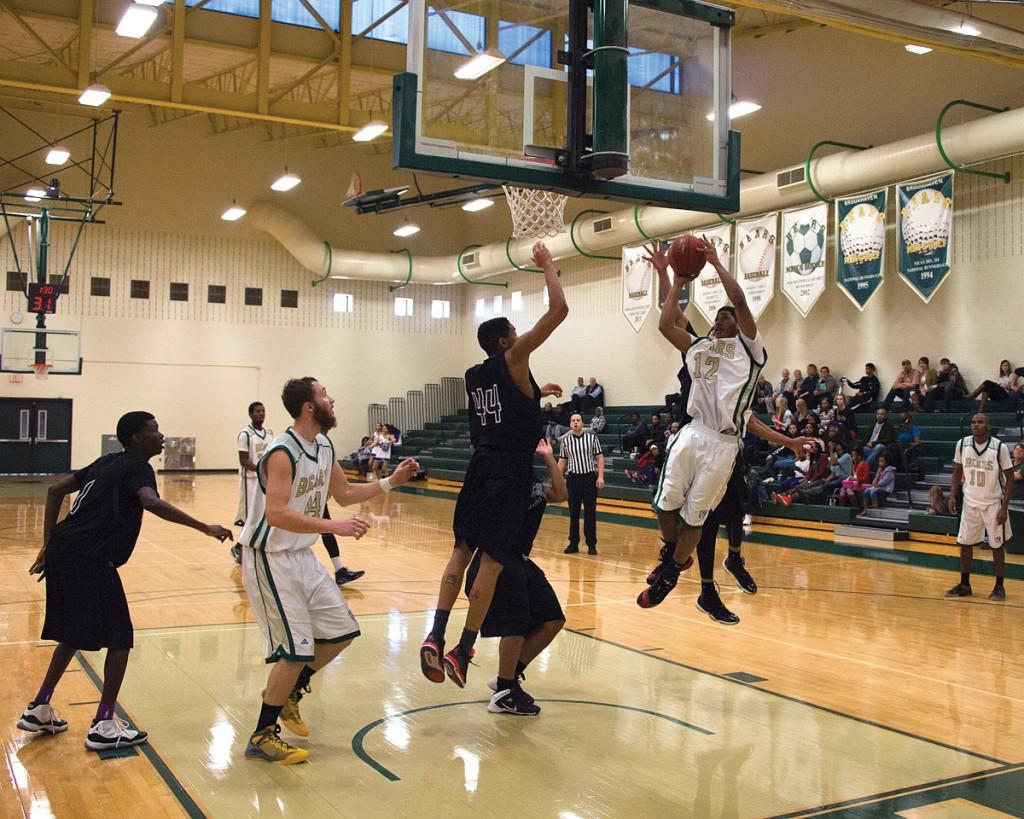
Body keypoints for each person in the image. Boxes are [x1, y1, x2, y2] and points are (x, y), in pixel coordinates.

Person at [17, 412, 232, 751]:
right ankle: (104, 723)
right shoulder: (138, 467)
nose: (161, 436)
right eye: (154, 430)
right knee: (120, 637)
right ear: (136, 438)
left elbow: (55, 490)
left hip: (64, 549)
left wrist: (48, 542)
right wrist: (205, 527)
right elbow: (149, 501)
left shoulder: (107, 462)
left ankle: (40, 707)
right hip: (88, 557)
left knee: (73, 634)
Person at [239, 377, 419, 764]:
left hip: (302, 557)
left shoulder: (323, 445)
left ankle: (291, 691)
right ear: (308, 406)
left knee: (340, 632)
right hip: (270, 557)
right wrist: (332, 526)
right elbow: (276, 513)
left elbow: (344, 494)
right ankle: (262, 735)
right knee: (294, 648)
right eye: (324, 394)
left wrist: (390, 481)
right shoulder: (282, 451)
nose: (331, 398)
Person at [420, 241, 567, 690]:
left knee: (461, 552)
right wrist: (546, 264)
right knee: (493, 563)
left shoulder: (474, 375)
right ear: (506, 342)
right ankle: (463, 649)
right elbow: (558, 310)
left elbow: (504, 408)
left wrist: (537, 396)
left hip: (479, 468)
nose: (521, 336)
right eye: (516, 332)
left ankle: (435, 632)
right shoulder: (515, 358)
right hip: (509, 473)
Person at [637, 236, 797, 609]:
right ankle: (672, 554)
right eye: (719, 315)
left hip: (725, 444)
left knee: (698, 515)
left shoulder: (749, 350)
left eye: (728, 316)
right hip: (693, 432)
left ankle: (674, 574)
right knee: (664, 506)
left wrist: (716, 264)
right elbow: (669, 322)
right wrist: (673, 275)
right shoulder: (701, 346)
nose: (723, 317)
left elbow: (740, 302)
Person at [466, 439, 567, 715]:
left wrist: (549, 457)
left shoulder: (533, 480)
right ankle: (505, 693)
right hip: (497, 559)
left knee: (553, 619)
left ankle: (506, 678)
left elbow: (560, 493)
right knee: (517, 624)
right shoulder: (504, 478)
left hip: (519, 559)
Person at [945, 414, 1014, 601]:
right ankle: (964, 584)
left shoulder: (999, 447)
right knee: (965, 543)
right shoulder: (962, 444)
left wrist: (1004, 506)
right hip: (970, 502)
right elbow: (957, 471)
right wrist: (952, 494)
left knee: (996, 545)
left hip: (993, 503)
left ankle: (999, 586)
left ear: (989, 426)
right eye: (973, 422)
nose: (976, 425)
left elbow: (1010, 478)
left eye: (980, 422)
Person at [231, 402, 273, 563]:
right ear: (250, 414)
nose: (261, 414)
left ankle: (253, 546)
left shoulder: (269, 434)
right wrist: (260, 470)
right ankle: (239, 547)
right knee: (249, 515)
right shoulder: (245, 434)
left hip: (264, 480)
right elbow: (243, 460)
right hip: (249, 481)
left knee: (262, 514)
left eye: (263, 411)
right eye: (257, 411)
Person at [559, 413, 605, 555]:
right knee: (573, 513)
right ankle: (573, 544)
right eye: (573, 421)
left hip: (589, 478)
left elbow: (599, 458)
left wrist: (601, 477)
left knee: (590, 513)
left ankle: (591, 544)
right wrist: (557, 480)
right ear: (570, 424)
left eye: (578, 420)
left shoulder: (592, 438)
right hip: (573, 480)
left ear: (582, 423)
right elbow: (562, 462)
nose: (576, 423)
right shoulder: (565, 441)